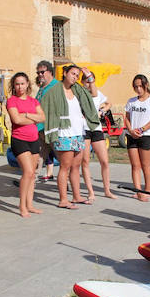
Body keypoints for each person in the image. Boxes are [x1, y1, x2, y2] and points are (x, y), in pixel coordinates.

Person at [40, 64, 100, 209]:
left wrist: (89, 78)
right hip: (63, 134)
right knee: (65, 167)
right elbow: (44, 106)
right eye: (73, 74)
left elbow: (93, 94)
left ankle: (76, 196)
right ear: (65, 73)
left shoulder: (77, 89)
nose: (75, 77)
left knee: (76, 166)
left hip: (78, 133)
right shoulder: (54, 91)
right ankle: (63, 200)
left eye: (77, 75)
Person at [6, 72, 45, 217]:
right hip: (19, 140)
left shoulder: (33, 101)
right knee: (27, 172)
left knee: (33, 174)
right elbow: (16, 120)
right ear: (14, 86)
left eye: (22, 83)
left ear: (27, 84)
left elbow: (42, 118)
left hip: (34, 139)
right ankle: (22, 206)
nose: (20, 86)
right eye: (17, 84)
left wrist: (27, 115)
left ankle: (30, 205)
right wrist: (33, 118)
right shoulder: (12, 101)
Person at [79, 67, 116, 200]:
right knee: (85, 161)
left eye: (90, 81)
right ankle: (91, 192)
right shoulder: (79, 93)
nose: (89, 84)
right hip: (84, 129)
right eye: (86, 81)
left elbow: (108, 103)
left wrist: (102, 111)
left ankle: (107, 190)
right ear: (82, 82)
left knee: (105, 161)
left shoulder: (96, 93)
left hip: (96, 129)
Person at [124, 74, 150, 201]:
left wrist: (141, 129)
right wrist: (130, 130)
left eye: (140, 86)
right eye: (136, 86)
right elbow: (127, 118)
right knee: (135, 165)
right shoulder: (131, 101)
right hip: (132, 136)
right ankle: (138, 190)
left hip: (146, 136)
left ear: (146, 85)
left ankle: (148, 190)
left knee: (146, 165)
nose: (138, 89)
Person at [34, 60, 58, 181]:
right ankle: (30, 181)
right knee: (38, 156)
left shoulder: (56, 86)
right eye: (38, 72)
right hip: (40, 128)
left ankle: (68, 182)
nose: (40, 75)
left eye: (42, 72)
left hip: (51, 129)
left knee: (62, 156)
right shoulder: (42, 87)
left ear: (50, 72)